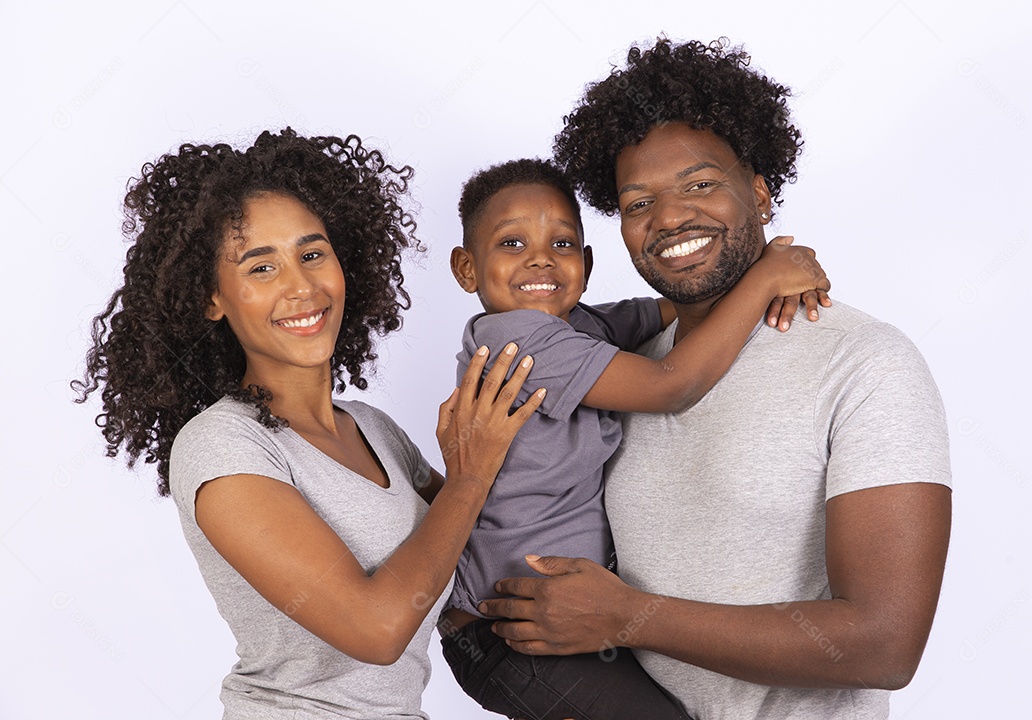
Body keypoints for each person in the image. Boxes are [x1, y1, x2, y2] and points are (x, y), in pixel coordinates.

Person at [479, 38, 953, 720]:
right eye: (638, 203)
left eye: (700, 185)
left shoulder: (865, 362)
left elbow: (885, 645)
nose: (670, 217)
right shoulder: (624, 364)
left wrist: (628, 618)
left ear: (759, 192)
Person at [74, 128, 545, 719]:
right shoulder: (221, 445)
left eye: (312, 254)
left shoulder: (374, 430)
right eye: (261, 267)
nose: (300, 286)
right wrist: (471, 476)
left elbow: (475, 551)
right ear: (212, 297)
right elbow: (377, 629)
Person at [439, 158, 830, 720]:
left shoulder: (578, 326)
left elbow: (683, 307)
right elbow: (670, 384)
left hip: (554, 619)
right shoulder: (519, 339)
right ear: (465, 269)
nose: (540, 258)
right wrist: (767, 279)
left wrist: (765, 268)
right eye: (512, 242)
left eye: (562, 244)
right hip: (510, 632)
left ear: (586, 264)